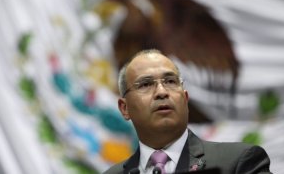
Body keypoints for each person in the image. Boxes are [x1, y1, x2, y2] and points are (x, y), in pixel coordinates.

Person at [103, 49, 271, 174]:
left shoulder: (238, 162)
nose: (162, 92)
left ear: (185, 98)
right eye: (146, 84)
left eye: (170, 81)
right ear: (124, 108)